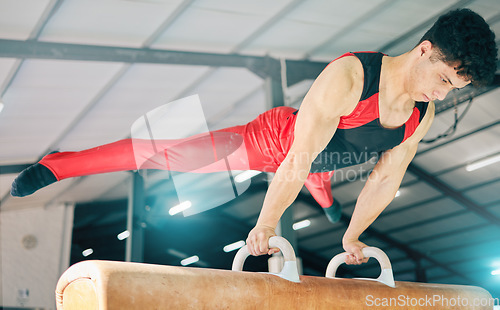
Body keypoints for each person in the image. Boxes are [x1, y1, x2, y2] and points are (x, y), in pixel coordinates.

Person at [11, 9, 497, 265]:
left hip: (316, 158)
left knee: (320, 170)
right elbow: (296, 158)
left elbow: (386, 179)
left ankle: (323, 195)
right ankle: (60, 163)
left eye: (456, 88)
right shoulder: (352, 76)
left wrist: (353, 236)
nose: (445, 93)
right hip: (273, 144)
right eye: (447, 80)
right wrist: (266, 225)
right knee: (163, 156)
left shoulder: (420, 114)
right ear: (425, 49)